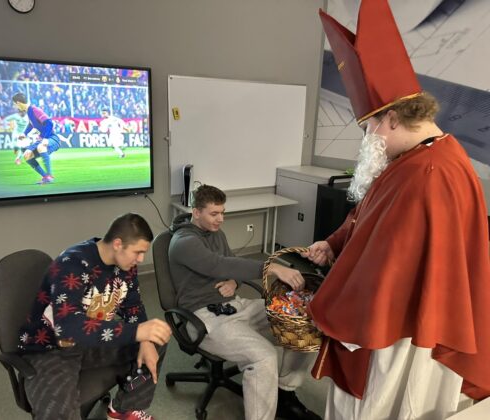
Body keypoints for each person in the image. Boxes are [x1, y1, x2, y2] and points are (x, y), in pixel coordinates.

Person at [303, 1, 490, 419]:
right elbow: (370, 218)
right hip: (395, 319)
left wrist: (325, 304)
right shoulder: (417, 158)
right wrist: (334, 243)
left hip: (400, 333)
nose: (368, 136)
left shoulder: (429, 174)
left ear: (391, 118)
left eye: (369, 126)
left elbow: (384, 270)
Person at [168, 184, 321, 420]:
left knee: (303, 323)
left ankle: (285, 392)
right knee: (264, 357)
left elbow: (232, 265)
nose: (221, 219)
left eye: (223, 212)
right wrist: (272, 268)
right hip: (205, 317)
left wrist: (234, 282)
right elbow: (218, 265)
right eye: (214, 213)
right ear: (196, 212)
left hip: (235, 305)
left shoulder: (216, 233)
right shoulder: (183, 242)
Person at [18, 213, 172, 420]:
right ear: (118, 244)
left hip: (92, 341)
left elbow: (133, 307)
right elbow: (68, 327)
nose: (141, 259)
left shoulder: (126, 267)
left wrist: (145, 339)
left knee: (156, 338)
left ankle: (123, 410)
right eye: (138, 252)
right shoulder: (71, 263)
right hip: (52, 347)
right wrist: (137, 332)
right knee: (59, 412)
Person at [12, 92, 62, 184]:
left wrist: (45, 139)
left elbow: (49, 123)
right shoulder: (29, 112)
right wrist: (24, 134)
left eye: (14, 104)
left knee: (41, 147)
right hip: (42, 140)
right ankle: (46, 177)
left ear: (18, 103)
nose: (15, 107)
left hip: (52, 139)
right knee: (27, 155)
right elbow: (31, 125)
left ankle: (50, 175)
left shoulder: (34, 110)